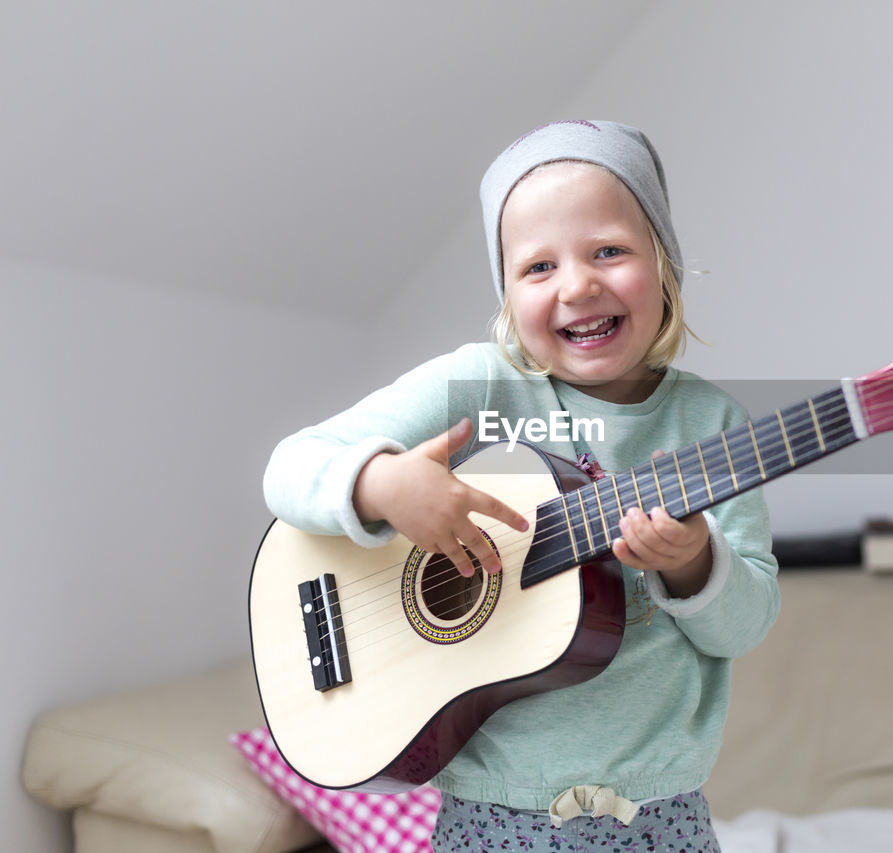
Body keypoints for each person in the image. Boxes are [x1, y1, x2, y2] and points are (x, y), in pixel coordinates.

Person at [263, 119, 779, 852]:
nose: (578, 284)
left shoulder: (713, 425)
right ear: (505, 293)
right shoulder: (477, 386)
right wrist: (382, 485)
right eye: (539, 267)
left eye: (608, 250)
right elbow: (291, 465)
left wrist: (695, 560)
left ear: (664, 263)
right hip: (487, 815)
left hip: (657, 818)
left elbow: (747, 624)